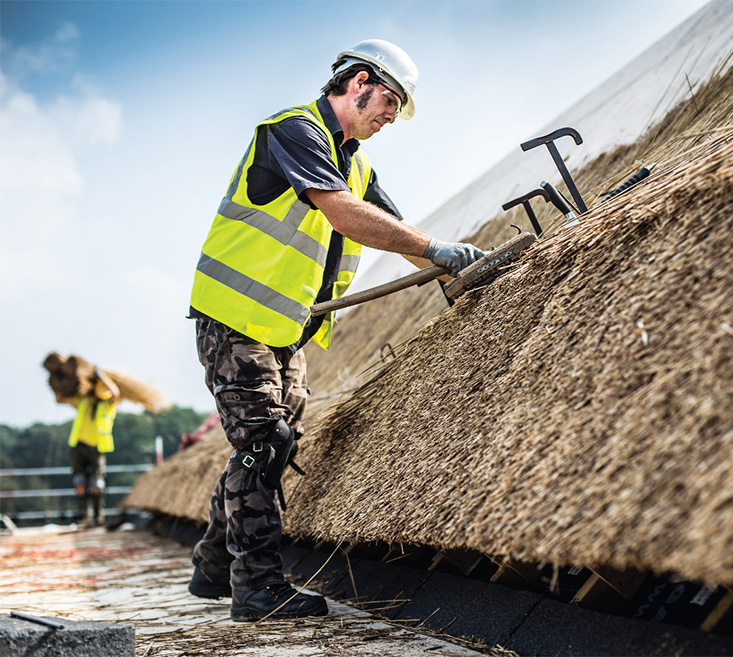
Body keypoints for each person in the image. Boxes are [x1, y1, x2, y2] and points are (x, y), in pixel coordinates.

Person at [186, 39, 484, 622]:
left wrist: (460, 266)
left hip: (285, 330)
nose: (392, 116)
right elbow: (346, 216)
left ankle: (214, 563)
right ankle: (256, 590)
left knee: (272, 446)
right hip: (234, 317)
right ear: (359, 81)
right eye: (391, 100)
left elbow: (394, 229)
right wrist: (440, 251)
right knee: (262, 445)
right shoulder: (294, 132)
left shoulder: (356, 161)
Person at [69, 370, 119, 528]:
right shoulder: (84, 401)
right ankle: (84, 516)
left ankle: (98, 516)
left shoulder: (107, 405)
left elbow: (115, 394)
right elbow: (65, 397)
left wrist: (103, 377)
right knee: (80, 482)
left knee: (97, 484)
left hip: (97, 447)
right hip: (80, 444)